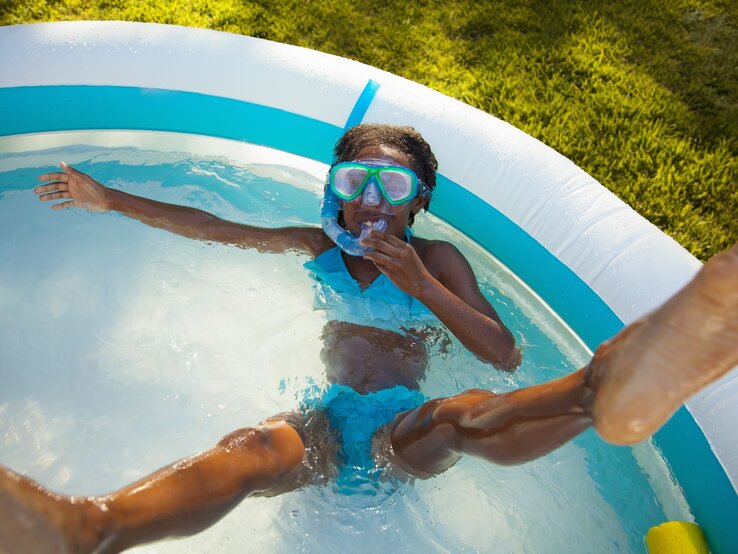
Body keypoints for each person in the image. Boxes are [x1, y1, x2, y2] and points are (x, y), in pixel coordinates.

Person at [1, 124, 736, 553]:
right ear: (334, 190)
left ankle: (597, 390)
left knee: (453, 418)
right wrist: (110, 200)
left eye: (393, 190)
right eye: (357, 184)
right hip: (323, 416)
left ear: (419, 204)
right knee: (253, 449)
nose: (371, 207)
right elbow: (214, 228)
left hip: (396, 421)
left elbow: (503, 353)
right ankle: (89, 527)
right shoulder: (317, 248)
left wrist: (420, 282)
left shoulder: (439, 261)